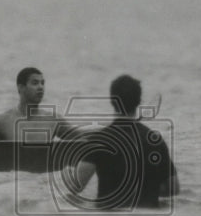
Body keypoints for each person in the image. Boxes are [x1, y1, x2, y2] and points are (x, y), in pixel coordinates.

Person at [68, 74, 179, 209]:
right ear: (139, 101)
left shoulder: (98, 141)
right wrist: (148, 190)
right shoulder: (155, 141)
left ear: (112, 101)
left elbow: (75, 187)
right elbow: (173, 188)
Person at [0, 67, 79, 141]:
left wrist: (98, 133)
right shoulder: (2, 120)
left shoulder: (54, 120)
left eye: (43, 83)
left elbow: (82, 138)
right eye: (35, 83)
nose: (41, 87)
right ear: (21, 88)